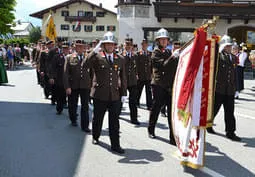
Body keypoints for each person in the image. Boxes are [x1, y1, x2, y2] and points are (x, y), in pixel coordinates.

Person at [86, 32, 127, 154]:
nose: (110, 46)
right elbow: (84, 64)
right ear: (103, 45)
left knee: (114, 122)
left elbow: (123, 77)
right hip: (100, 94)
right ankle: (95, 136)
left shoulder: (120, 59)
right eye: (107, 44)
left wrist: (124, 93)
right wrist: (93, 51)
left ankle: (115, 145)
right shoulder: (97, 57)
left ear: (115, 45)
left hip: (114, 95)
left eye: (112, 44)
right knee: (98, 119)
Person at [207, 35, 241, 142]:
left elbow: (234, 74)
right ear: (223, 47)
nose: (229, 48)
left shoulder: (234, 57)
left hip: (230, 89)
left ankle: (230, 132)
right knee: (215, 109)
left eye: (230, 46)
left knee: (230, 112)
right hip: (220, 89)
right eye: (227, 46)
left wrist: (236, 88)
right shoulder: (218, 57)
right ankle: (208, 124)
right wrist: (215, 42)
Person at [148, 28, 179, 145]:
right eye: (162, 40)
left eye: (165, 40)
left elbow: (173, 68)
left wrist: (177, 58)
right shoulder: (155, 52)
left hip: (169, 85)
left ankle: (172, 137)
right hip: (158, 85)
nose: (164, 41)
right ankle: (151, 129)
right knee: (156, 108)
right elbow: (163, 65)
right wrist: (173, 57)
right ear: (158, 41)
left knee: (171, 112)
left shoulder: (167, 52)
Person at [63, 39, 92, 132]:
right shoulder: (69, 57)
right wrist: (67, 87)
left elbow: (92, 72)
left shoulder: (88, 58)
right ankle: (73, 119)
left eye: (82, 46)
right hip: (73, 85)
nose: (80, 48)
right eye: (78, 46)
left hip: (85, 85)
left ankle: (85, 126)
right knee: (72, 105)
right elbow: (65, 73)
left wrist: (92, 85)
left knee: (85, 106)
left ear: (84, 47)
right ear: (74, 47)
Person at [121, 38, 140, 125]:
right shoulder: (120, 56)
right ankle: (116, 113)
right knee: (120, 100)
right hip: (123, 81)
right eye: (126, 45)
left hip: (132, 81)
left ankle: (134, 118)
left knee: (133, 101)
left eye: (130, 45)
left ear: (132, 46)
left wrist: (136, 74)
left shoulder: (135, 56)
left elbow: (136, 67)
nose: (128, 46)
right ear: (124, 46)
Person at [49, 41, 69, 115]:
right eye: (64, 48)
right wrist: (51, 77)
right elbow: (52, 68)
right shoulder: (57, 57)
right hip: (60, 80)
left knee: (70, 96)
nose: (65, 50)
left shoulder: (73, 57)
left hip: (70, 80)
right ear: (62, 49)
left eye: (67, 48)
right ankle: (59, 108)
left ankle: (71, 110)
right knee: (60, 95)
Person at [136, 39, 153, 110]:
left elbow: (152, 65)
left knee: (148, 92)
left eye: (146, 44)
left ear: (147, 45)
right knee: (139, 90)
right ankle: (136, 103)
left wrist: (152, 74)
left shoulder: (150, 54)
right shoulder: (138, 54)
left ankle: (149, 105)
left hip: (148, 76)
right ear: (141, 45)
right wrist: (136, 74)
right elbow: (136, 65)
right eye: (143, 44)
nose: (144, 45)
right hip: (141, 75)